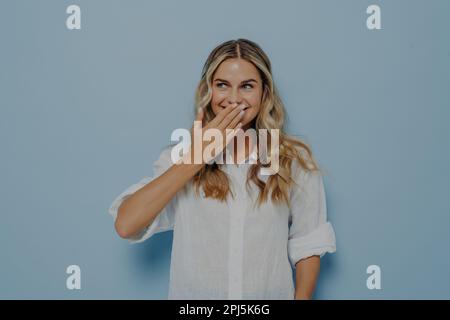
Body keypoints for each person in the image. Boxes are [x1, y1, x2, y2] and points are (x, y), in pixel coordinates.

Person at [108, 39, 336, 300]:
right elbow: (127, 224)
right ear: (208, 91)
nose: (234, 99)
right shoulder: (180, 157)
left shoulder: (292, 162)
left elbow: (308, 243)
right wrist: (198, 156)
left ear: (264, 94)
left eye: (247, 86)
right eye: (222, 85)